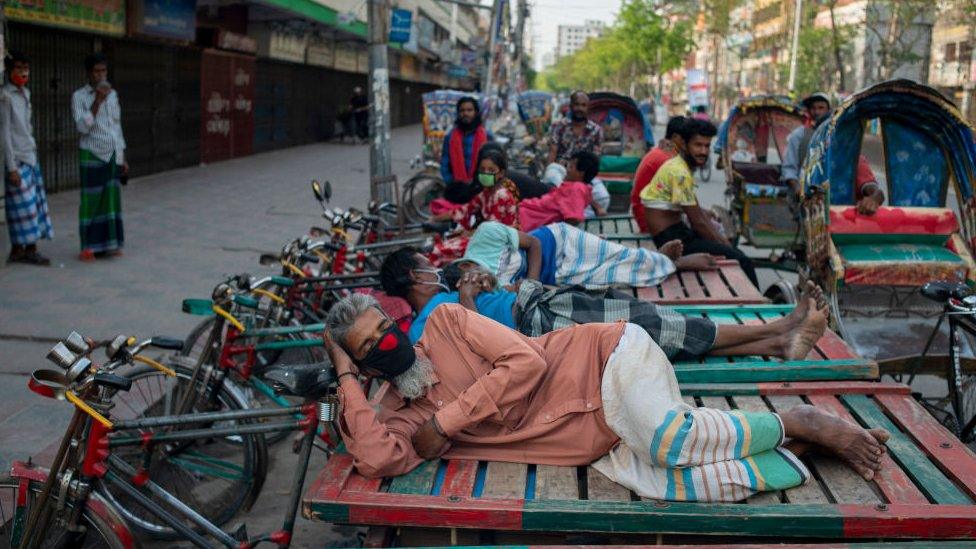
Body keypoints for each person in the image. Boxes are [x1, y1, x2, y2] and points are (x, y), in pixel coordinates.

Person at [324, 294, 889, 501]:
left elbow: (528, 360)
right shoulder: (397, 416)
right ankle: (799, 449)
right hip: (599, 438)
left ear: (397, 320)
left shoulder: (446, 322)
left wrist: (448, 420)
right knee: (680, 485)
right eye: (370, 348)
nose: (386, 343)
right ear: (366, 363)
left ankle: (797, 419)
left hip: (607, 361)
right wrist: (346, 376)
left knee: (669, 441)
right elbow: (376, 459)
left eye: (384, 328)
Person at [380, 247, 829, 366]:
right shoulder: (423, 323)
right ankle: (779, 327)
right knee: (654, 327)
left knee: (651, 323)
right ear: (412, 278)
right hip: (537, 322)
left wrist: (480, 281)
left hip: (538, 302)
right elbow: (470, 344)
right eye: (425, 266)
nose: (433, 268)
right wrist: (466, 296)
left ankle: (774, 343)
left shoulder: (447, 291)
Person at [640, 118, 759, 287]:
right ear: (684, 144)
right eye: (698, 145)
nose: (703, 151)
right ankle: (760, 308)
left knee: (729, 249)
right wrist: (728, 247)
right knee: (742, 260)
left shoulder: (679, 166)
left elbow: (695, 210)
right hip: (672, 239)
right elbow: (698, 223)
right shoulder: (679, 172)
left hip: (677, 233)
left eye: (707, 146)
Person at [459, 220, 715, 289]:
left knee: (616, 254)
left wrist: (531, 283)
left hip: (558, 242)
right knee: (615, 276)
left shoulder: (487, 233)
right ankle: (661, 262)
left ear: (466, 264)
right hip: (556, 276)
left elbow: (534, 243)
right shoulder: (482, 285)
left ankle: (673, 262)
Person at [71, 53, 127, 261]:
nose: (101, 75)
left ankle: (110, 244)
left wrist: (122, 156)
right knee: (91, 201)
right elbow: (82, 127)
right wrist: (97, 101)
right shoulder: (79, 96)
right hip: (92, 152)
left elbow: (116, 127)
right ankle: (88, 247)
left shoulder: (113, 95)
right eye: (96, 71)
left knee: (110, 201)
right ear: (88, 73)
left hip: (112, 153)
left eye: (103, 71)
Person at [427, 147, 520, 266]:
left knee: (441, 250)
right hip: (488, 238)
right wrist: (436, 218)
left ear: (501, 173)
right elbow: (465, 210)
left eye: (491, 170)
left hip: (499, 245)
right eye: (482, 169)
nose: (486, 173)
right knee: (446, 243)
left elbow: (490, 231)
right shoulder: (487, 192)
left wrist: (467, 234)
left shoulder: (501, 195)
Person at [2, 51, 52, 266]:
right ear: (10, 71)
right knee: (23, 209)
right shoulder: (5, 97)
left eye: (26, 68)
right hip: (18, 159)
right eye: (18, 68)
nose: (23, 72)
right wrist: (11, 166)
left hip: (30, 157)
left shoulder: (26, 94)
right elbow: (4, 133)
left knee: (35, 206)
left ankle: (21, 249)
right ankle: (26, 249)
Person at [519, 151, 606, 232]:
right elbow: (585, 198)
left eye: (571, 167)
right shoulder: (577, 187)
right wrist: (597, 207)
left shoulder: (577, 188)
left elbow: (573, 219)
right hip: (525, 213)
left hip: (525, 220)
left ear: (581, 173)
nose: (567, 170)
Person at [630, 116, 684, 234]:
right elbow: (683, 200)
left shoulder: (664, 152)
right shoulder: (667, 159)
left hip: (649, 212)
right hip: (650, 218)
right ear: (675, 137)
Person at [439, 96, 490, 205]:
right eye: (462, 110)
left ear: (476, 112)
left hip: (479, 188)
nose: (465, 113)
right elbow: (444, 162)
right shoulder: (450, 137)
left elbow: (494, 164)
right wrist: (452, 183)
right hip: (457, 190)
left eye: (469, 110)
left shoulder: (487, 136)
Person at [547, 90, 603, 164]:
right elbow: (552, 153)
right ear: (571, 106)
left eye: (583, 105)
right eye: (576, 104)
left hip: (583, 172)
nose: (580, 108)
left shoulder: (596, 130)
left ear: (588, 108)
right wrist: (549, 173)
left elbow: (595, 158)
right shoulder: (558, 126)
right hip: (559, 171)